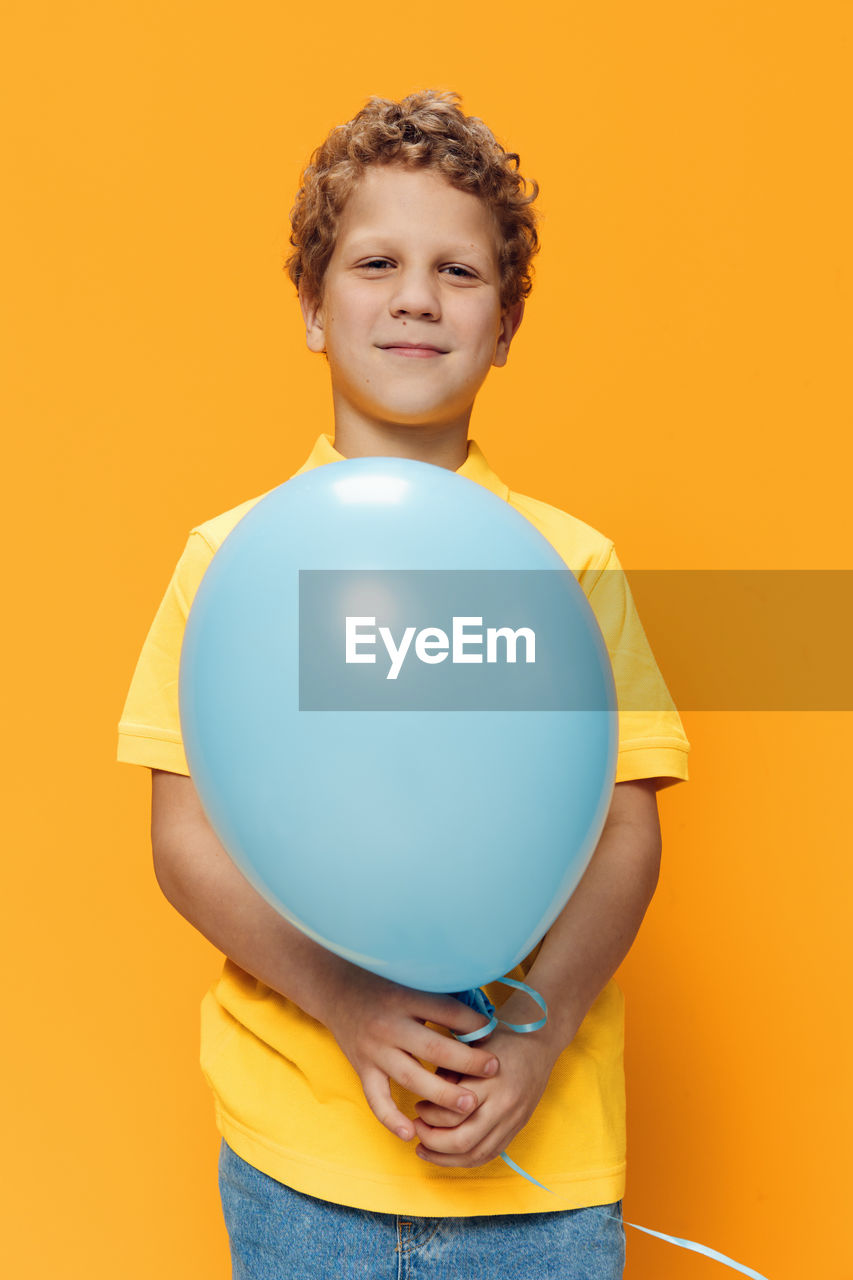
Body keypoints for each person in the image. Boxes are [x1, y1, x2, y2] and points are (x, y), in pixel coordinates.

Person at [117, 89, 690, 1279]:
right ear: (315, 310)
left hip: (539, 1158)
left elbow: (625, 827)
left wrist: (548, 1032)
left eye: (459, 272)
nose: (416, 296)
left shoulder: (567, 563)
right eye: (376, 261)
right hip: (301, 1156)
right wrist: (345, 998)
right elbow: (185, 834)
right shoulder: (234, 562)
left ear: (507, 322)